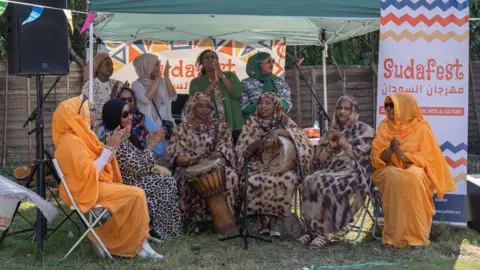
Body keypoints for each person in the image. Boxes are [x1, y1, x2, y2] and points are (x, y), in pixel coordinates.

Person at [52, 95, 163, 259]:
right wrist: (110, 149)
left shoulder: (82, 136)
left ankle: (133, 241)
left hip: (91, 185)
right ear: (77, 114)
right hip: (83, 190)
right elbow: (91, 171)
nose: (94, 113)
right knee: (136, 194)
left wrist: (115, 145)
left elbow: (99, 163)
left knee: (134, 194)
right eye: (90, 110)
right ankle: (134, 244)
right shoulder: (70, 141)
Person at [371, 92, 456, 248]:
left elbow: (430, 157)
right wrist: (390, 150)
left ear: (404, 108)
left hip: (415, 168)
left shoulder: (421, 128)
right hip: (388, 168)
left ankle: (417, 236)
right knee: (393, 176)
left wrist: (405, 157)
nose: (388, 109)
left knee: (415, 176)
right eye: (386, 106)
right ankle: (393, 237)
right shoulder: (384, 126)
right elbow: (376, 156)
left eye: (392, 106)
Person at [296, 96, 375, 249]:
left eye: (347, 108)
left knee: (326, 183)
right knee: (309, 180)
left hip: (352, 172)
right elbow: (318, 160)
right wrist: (330, 147)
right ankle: (311, 230)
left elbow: (362, 158)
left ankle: (325, 233)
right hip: (329, 169)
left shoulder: (364, 130)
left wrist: (343, 142)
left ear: (354, 111)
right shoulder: (330, 131)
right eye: (339, 108)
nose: (342, 111)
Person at [100, 98, 183, 240]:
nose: (130, 117)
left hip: (132, 179)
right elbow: (138, 167)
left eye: (130, 112)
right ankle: (163, 231)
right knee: (166, 182)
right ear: (114, 116)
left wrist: (148, 141)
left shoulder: (119, 132)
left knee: (165, 180)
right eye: (125, 114)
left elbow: (135, 159)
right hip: (125, 184)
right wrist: (151, 146)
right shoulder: (113, 137)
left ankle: (156, 228)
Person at [235, 92, 313, 237]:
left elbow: (300, 135)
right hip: (257, 162)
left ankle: (273, 221)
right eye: (260, 103)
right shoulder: (251, 122)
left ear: (275, 105)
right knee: (252, 179)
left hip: (281, 163)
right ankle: (263, 221)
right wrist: (262, 142)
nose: (263, 106)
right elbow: (244, 150)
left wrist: (278, 132)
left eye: (268, 103)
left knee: (287, 179)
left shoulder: (283, 120)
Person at [166, 92, 239, 233]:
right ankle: (195, 222)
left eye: (208, 106)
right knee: (184, 181)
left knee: (230, 176)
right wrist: (190, 161)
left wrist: (219, 152)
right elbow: (173, 155)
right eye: (200, 106)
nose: (205, 109)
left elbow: (226, 143)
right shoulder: (180, 129)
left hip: (215, 165)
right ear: (192, 107)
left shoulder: (219, 126)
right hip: (188, 167)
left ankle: (225, 220)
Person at [189, 50, 244, 144]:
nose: (210, 59)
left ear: (218, 61)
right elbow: (197, 101)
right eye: (206, 57)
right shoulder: (196, 82)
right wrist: (214, 81)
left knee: (237, 155)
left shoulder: (230, 75)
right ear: (201, 62)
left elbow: (237, 93)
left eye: (213, 57)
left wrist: (221, 76)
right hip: (210, 128)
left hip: (234, 125)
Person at [81, 53, 127, 130]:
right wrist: (111, 97)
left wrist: (126, 93)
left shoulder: (118, 84)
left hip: (118, 127)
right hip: (98, 128)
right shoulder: (89, 86)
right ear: (98, 68)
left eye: (111, 65)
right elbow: (91, 111)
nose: (111, 67)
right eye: (107, 65)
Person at [132, 53, 177, 130]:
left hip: (165, 125)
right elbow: (146, 100)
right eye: (156, 64)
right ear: (146, 66)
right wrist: (157, 81)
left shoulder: (162, 81)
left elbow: (173, 97)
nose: (159, 67)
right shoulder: (136, 84)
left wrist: (166, 77)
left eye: (159, 63)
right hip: (147, 127)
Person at [240, 52, 292, 119]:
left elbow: (287, 104)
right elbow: (244, 108)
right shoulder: (245, 83)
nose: (271, 64)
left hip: (277, 123)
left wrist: (273, 105)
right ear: (257, 65)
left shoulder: (279, 81)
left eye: (272, 61)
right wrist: (265, 106)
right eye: (268, 61)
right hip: (254, 124)